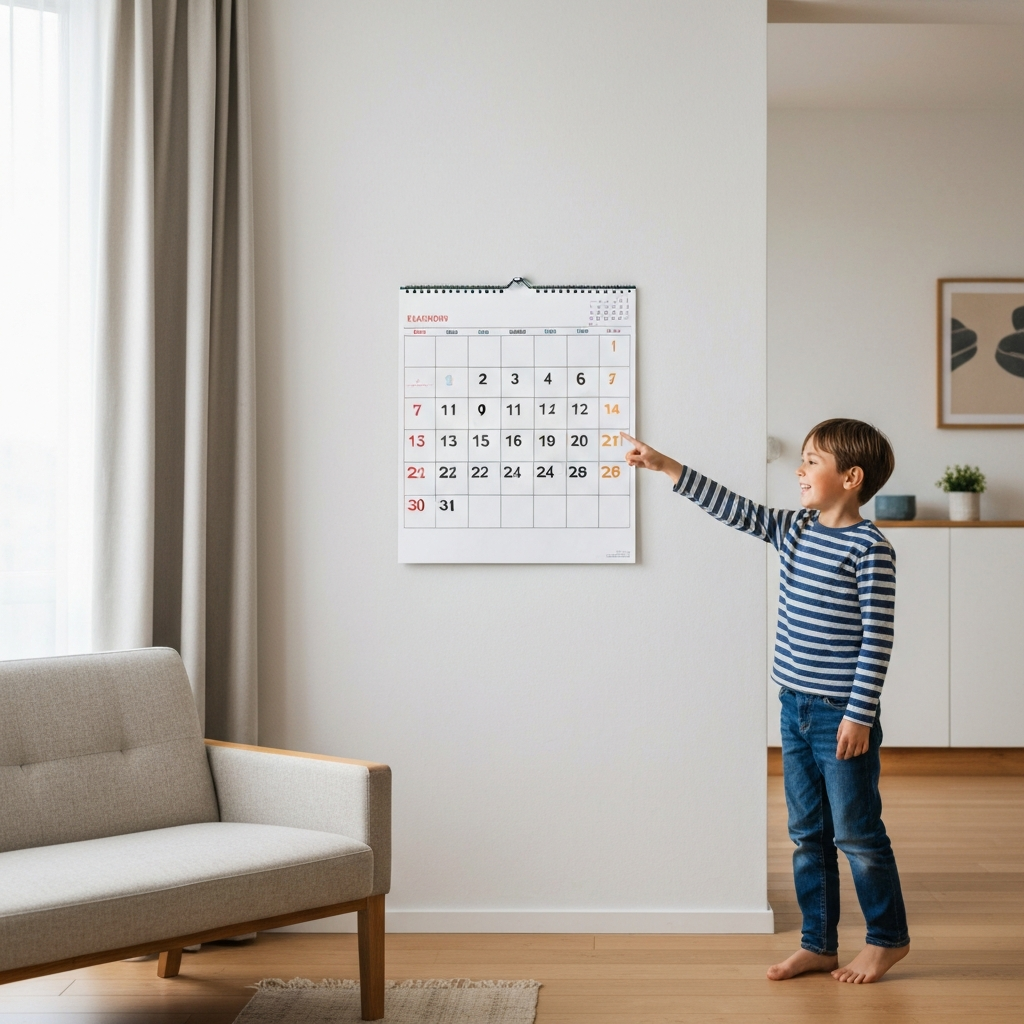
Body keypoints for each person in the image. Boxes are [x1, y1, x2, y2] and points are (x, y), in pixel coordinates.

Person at [622, 419, 910, 984]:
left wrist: (859, 713)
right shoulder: (797, 528)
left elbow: (878, 638)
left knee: (856, 833)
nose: (799, 470)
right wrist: (665, 465)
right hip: (795, 706)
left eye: (812, 461)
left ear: (851, 478)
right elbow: (739, 511)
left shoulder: (871, 548)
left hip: (840, 715)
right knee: (807, 832)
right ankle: (818, 943)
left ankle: (887, 939)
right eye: (801, 459)